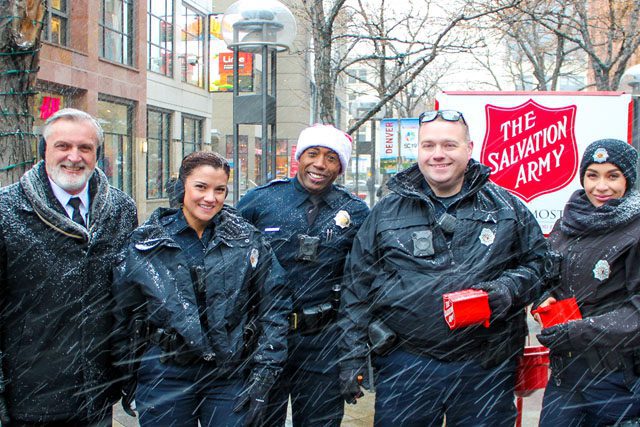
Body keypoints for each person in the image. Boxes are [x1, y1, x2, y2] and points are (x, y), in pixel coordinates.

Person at [338, 110, 547, 426]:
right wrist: (351, 356)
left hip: (485, 368)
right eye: (428, 145)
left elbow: (541, 267)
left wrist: (508, 288)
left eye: (449, 145)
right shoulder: (385, 212)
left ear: (469, 148)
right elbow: (357, 286)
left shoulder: (507, 208)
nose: (438, 154)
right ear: (418, 150)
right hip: (405, 366)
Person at [112, 151, 290, 426]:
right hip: (165, 372)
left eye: (219, 190)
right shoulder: (149, 241)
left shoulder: (245, 239)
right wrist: (126, 372)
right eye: (201, 187)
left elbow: (274, 304)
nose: (210, 198)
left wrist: (264, 372)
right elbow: (123, 311)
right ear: (183, 186)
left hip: (228, 373)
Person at [0, 108, 138, 425]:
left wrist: (128, 372)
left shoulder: (120, 210)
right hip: (29, 398)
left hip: (98, 396)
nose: (74, 157)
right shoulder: (7, 210)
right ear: (43, 151)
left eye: (85, 148)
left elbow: (128, 301)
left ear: (97, 154)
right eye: (63, 146)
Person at [237, 124, 370, 426]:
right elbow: (228, 261)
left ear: (340, 168)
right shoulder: (261, 202)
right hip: (265, 339)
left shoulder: (356, 212)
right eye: (313, 154)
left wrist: (354, 355)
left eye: (331, 158)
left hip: (323, 342)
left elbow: (362, 282)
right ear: (299, 157)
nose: (320, 164)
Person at [535, 138, 640, 426]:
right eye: (592, 175)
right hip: (565, 374)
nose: (601, 187)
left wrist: (579, 331)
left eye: (613, 176)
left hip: (620, 379)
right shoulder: (568, 223)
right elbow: (549, 276)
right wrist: (543, 298)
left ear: (628, 179)